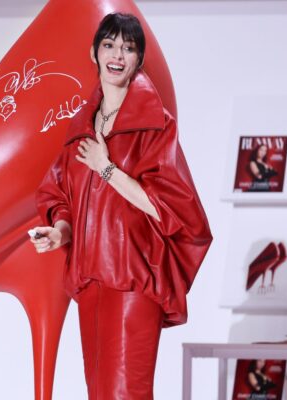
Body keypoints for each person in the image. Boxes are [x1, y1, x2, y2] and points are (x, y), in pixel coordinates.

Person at [30, 13, 212, 399]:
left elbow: (169, 206)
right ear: (93, 52)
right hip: (90, 279)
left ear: (139, 59)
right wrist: (59, 231)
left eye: (128, 48)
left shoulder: (155, 125)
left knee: (126, 393)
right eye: (109, 45)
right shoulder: (81, 126)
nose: (117, 55)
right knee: (98, 393)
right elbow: (63, 196)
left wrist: (107, 168)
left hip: (133, 278)